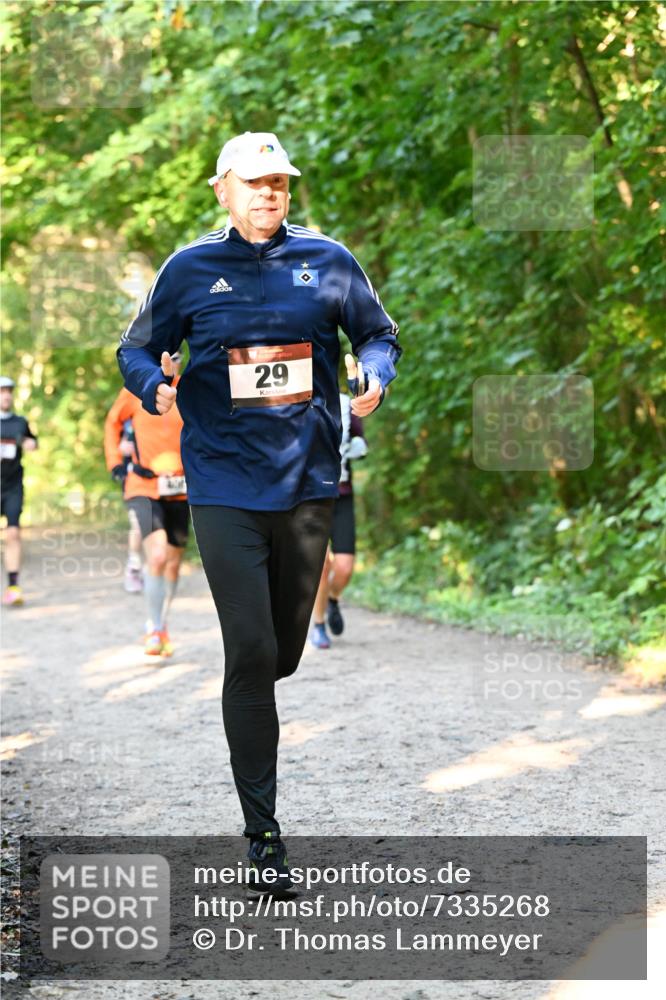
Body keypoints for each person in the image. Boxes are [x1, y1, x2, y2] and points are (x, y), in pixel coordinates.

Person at [117, 131, 401, 893]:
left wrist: (373, 373)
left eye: (278, 181)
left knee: (281, 656)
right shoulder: (188, 269)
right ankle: (263, 839)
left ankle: (266, 684)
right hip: (221, 485)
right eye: (254, 182)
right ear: (223, 189)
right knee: (248, 653)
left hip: (306, 482)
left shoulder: (329, 260)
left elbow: (377, 334)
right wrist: (154, 386)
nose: (268, 192)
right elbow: (134, 350)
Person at [104, 354, 188, 657]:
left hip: (180, 488)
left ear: (180, 360)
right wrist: (115, 461)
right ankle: (154, 628)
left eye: (175, 357)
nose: (169, 363)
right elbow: (112, 423)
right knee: (158, 554)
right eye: (163, 357)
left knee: (174, 562)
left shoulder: (188, 390)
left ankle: (161, 623)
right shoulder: (136, 388)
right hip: (143, 485)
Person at [310, 391, 368, 649]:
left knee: (344, 568)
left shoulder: (346, 404)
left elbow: (361, 441)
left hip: (342, 494)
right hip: (311, 497)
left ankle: (332, 600)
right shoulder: (298, 401)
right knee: (322, 565)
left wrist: (358, 447)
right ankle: (318, 624)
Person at [1, 375, 38, 606]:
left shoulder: (20, 422)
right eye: (2, 391)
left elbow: (33, 441)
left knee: (13, 534)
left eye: (9, 391)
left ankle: (13, 587)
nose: (6, 396)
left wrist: (30, 444)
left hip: (12, 487)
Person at [118, 420, 144, 594]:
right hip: (135, 481)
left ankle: (159, 573)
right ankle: (133, 568)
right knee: (139, 526)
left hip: (167, 480)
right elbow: (121, 446)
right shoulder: (129, 420)